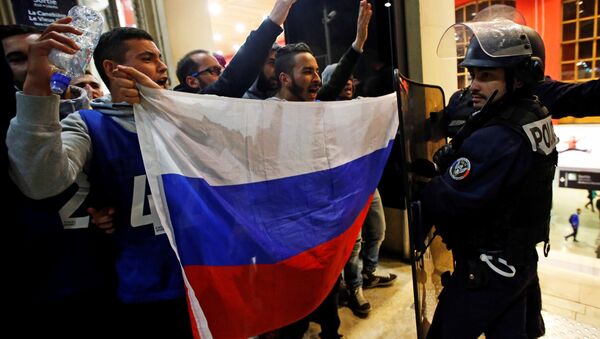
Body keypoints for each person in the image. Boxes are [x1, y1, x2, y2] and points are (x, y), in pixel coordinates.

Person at [7, 1, 297, 336]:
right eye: (148, 58)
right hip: (146, 287)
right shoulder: (86, 125)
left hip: (208, 270)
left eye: (160, 57)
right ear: (113, 69)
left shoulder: (184, 115)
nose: (161, 66)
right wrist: (37, 90)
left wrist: (275, 19)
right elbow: (41, 182)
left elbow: (231, 82)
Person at [422, 19, 557, 338]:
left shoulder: (497, 138)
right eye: (472, 75)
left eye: (485, 76)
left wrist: (433, 182)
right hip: (519, 261)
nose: (473, 86)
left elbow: (446, 203)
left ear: (520, 79)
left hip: (487, 269)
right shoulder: (534, 115)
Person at [321, 63, 396, 319]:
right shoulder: (321, 112)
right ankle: (355, 288)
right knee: (354, 242)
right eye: (341, 80)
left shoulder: (362, 105)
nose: (349, 83)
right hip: (342, 188)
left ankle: (369, 272)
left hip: (366, 181)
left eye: (351, 78)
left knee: (378, 230)